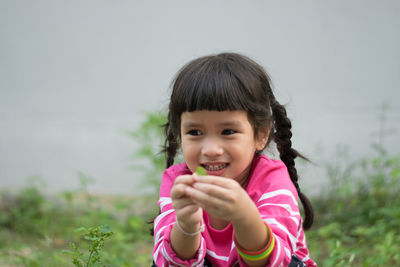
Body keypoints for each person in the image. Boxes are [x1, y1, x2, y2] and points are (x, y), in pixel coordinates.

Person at [152, 52, 317, 267]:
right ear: (179, 134)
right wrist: (186, 224)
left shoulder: (271, 180)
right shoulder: (179, 182)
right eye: (195, 132)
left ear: (261, 135)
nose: (211, 150)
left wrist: (243, 215)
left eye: (228, 131)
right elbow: (171, 263)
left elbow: (273, 263)